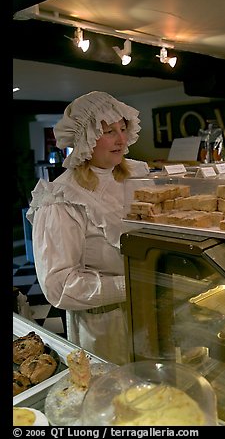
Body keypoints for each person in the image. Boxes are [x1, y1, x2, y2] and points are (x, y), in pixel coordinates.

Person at [26, 91, 149, 365]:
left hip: (150, 309)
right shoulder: (61, 198)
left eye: (122, 128)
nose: (121, 139)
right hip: (106, 326)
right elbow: (59, 286)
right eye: (108, 131)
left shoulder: (137, 175)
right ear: (86, 139)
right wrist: (132, 284)